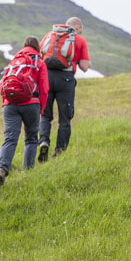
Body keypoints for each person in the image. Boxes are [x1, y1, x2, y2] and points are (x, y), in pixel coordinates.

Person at [0, 37, 49, 186]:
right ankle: (27, 173)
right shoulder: (39, 62)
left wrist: (6, 103)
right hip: (31, 103)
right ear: (37, 47)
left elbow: (2, 83)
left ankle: (1, 169)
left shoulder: (14, 61)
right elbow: (44, 89)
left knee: (10, 139)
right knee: (31, 138)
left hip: (10, 104)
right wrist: (41, 109)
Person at [38, 17, 91, 162]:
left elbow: (40, 55)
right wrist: (88, 63)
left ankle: (44, 141)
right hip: (66, 79)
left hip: (46, 77)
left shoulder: (50, 35)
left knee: (45, 115)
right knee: (65, 118)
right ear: (78, 27)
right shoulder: (79, 40)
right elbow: (84, 67)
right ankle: (59, 153)